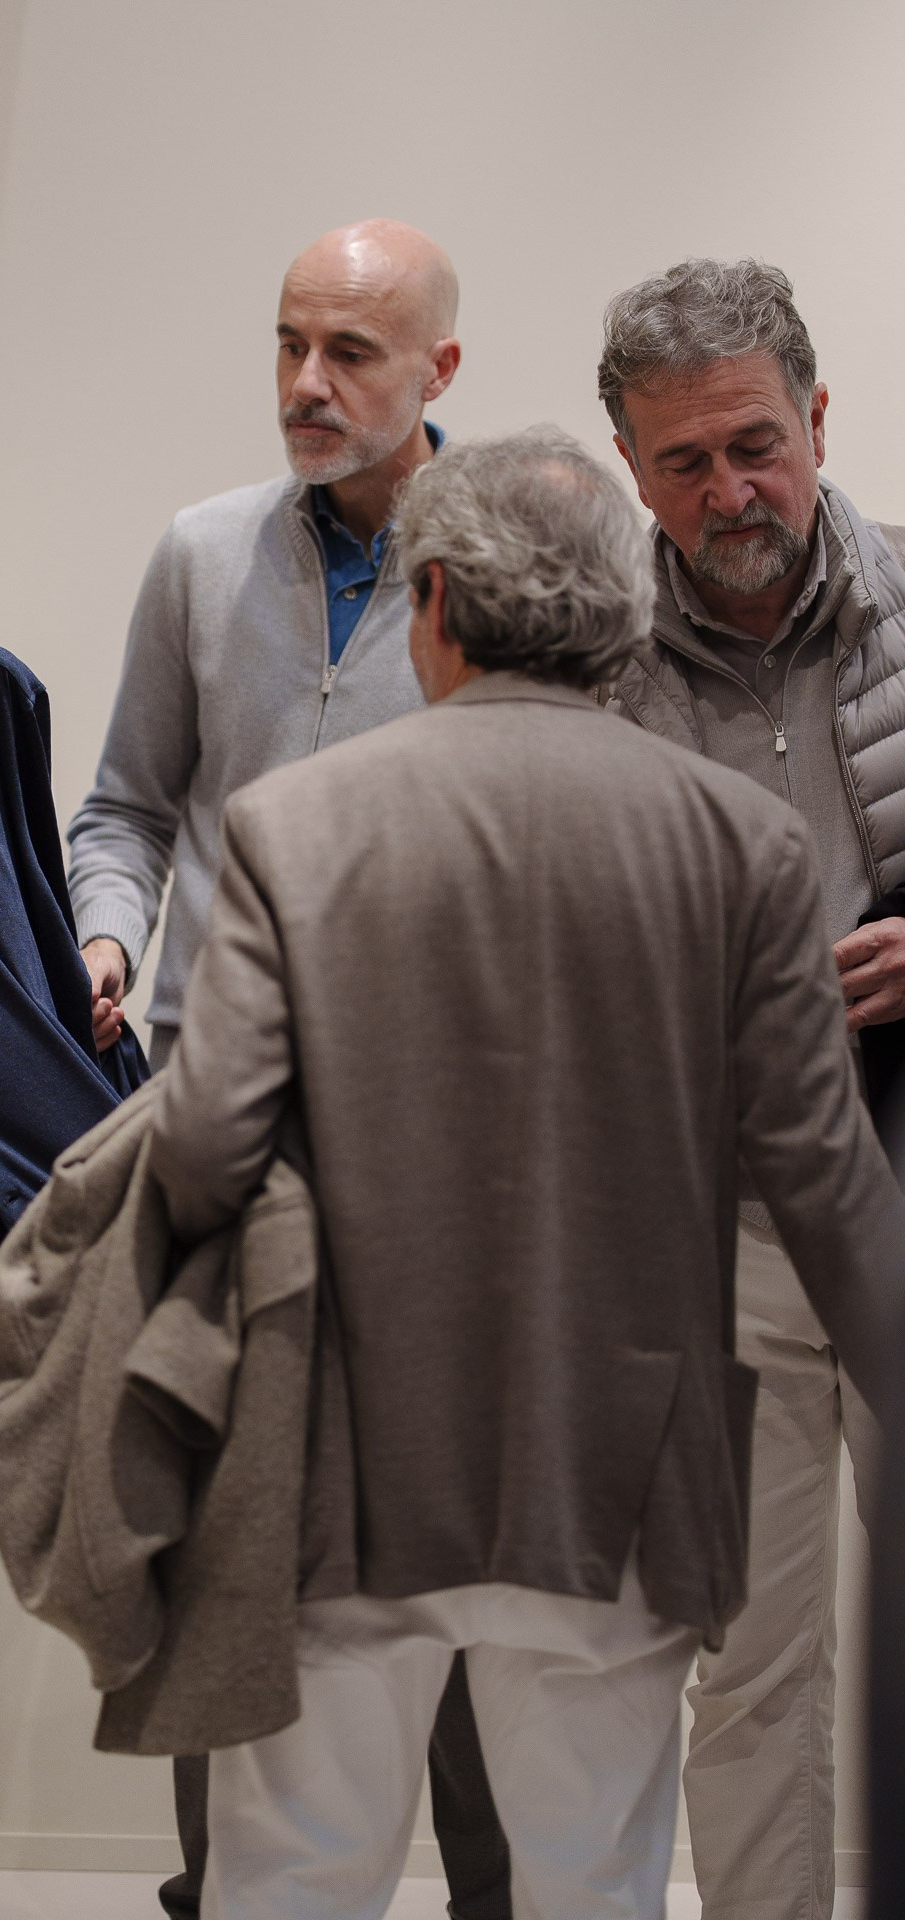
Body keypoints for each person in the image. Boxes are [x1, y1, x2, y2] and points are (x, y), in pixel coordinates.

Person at [147, 429, 905, 1920]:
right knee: (595, 1878)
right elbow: (825, 1183)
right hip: (615, 1468)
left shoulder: (294, 825)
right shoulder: (741, 844)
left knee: (293, 1875)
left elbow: (206, 1148)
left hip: (342, 1469)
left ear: (428, 605)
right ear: (625, 610)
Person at [67, 221, 509, 1920]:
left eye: (354, 354)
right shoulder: (201, 556)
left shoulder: (523, 555)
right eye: (288, 345)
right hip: (221, 1132)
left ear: (440, 373)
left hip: (444, 1155)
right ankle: (222, 1893)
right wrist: (106, 935)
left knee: (453, 1567)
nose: (309, 386)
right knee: (225, 1553)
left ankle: (495, 1895)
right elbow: (122, 806)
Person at [598, 257, 905, 1920]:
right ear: (633, 470)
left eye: (757, 445)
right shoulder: (588, 668)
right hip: (734, 1230)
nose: (733, 492)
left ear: (817, 419)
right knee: (760, 1664)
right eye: (686, 463)